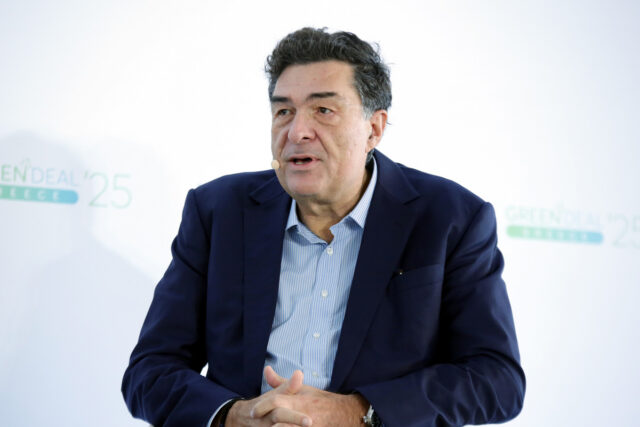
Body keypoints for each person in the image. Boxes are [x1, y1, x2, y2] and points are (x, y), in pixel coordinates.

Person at [122, 27, 525, 427]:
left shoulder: (450, 218)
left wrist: (359, 412)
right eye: (284, 111)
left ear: (374, 128)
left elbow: (497, 379)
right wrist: (232, 416)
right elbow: (150, 371)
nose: (297, 131)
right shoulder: (218, 211)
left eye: (323, 110)